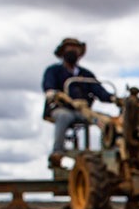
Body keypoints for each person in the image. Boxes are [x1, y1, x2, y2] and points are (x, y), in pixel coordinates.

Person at [42, 37, 119, 168]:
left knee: (106, 122)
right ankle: (57, 152)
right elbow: (49, 88)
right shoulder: (53, 71)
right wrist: (56, 94)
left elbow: (99, 91)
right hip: (62, 109)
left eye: (75, 48)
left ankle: (111, 154)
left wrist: (114, 99)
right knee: (64, 116)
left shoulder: (85, 74)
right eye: (69, 48)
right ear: (63, 52)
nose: (72, 51)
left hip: (84, 112)